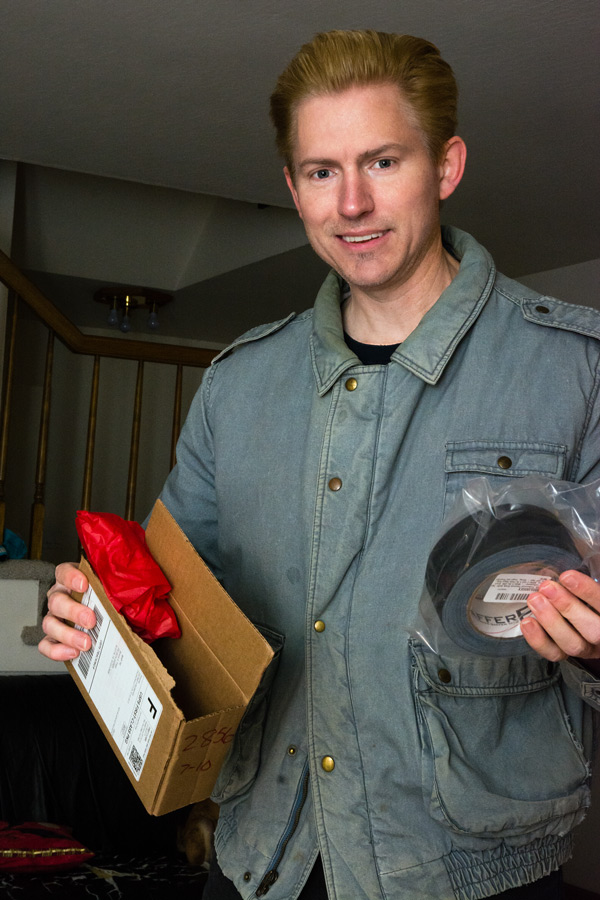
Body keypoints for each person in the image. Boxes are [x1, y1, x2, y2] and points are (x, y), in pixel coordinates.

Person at [39, 30, 600, 900]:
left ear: (445, 167)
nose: (351, 205)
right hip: (263, 862)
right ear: (292, 187)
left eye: (381, 161)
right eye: (320, 171)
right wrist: (99, 624)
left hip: (477, 874)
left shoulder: (576, 369)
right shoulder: (237, 385)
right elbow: (172, 610)